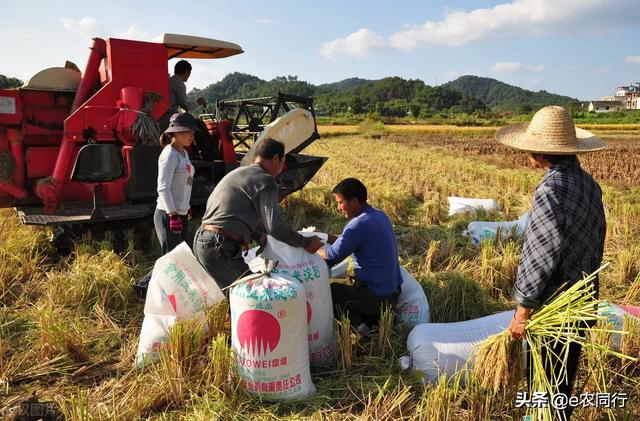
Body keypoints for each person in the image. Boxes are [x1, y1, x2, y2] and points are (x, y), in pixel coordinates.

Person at [497, 106, 606, 420]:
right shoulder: (589, 185)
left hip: (554, 307)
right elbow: (597, 239)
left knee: (543, 387)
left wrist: (522, 311)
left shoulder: (551, 189)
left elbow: (540, 254)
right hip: (582, 301)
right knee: (561, 386)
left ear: (538, 152)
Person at [193, 138, 323, 290]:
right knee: (253, 293)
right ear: (276, 159)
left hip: (202, 240)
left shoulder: (239, 172)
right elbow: (274, 226)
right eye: (283, 161)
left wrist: (257, 235)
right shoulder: (266, 180)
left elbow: (230, 214)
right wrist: (305, 243)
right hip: (219, 245)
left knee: (235, 296)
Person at [316, 178, 403, 335]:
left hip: (378, 296)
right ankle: (372, 320)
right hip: (391, 291)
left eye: (340, 202)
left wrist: (311, 245)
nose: (338, 207)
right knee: (342, 282)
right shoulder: (379, 215)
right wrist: (324, 236)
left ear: (354, 202)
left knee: (330, 290)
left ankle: (363, 331)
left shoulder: (358, 224)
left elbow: (331, 256)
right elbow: (349, 240)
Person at [132, 113, 197, 297]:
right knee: (170, 259)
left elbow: (185, 183)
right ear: (175, 133)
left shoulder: (184, 154)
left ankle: (170, 293)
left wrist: (186, 206)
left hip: (180, 212)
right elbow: (163, 188)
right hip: (168, 214)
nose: (192, 135)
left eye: (192, 132)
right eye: (188, 132)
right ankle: (142, 288)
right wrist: (173, 214)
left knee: (180, 256)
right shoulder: (169, 155)